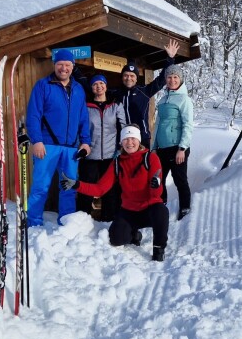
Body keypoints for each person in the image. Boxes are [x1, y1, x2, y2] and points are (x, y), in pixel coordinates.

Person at [61, 125, 169, 261]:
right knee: (116, 239)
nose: (129, 143)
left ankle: (159, 249)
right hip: (129, 211)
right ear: (121, 142)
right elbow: (100, 189)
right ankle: (134, 234)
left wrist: (156, 184)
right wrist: (77, 185)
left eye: (133, 138)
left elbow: (156, 194)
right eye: (126, 139)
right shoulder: (118, 163)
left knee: (161, 212)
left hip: (149, 208)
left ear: (139, 140)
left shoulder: (150, 158)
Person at [26, 48, 91, 226]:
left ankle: (66, 222)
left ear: (73, 66)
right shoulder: (43, 85)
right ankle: (33, 223)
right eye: (60, 64)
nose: (64, 68)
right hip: (47, 145)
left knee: (68, 188)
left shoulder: (78, 89)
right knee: (40, 187)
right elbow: (33, 115)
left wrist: (85, 142)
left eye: (67, 65)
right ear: (54, 65)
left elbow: (83, 118)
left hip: (71, 148)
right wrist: (37, 141)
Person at [76, 74, 125, 221]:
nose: (99, 86)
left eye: (101, 84)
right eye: (95, 84)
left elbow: (123, 126)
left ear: (106, 86)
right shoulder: (86, 106)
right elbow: (80, 127)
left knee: (110, 189)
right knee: (86, 188)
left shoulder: (116, 105)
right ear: (91, 88)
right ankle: (83, 218)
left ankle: (108, 218)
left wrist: (121, 147)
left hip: (110, 155)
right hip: (90, 155)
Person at [117, 38, 180, 147]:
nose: (129, 78)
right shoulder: (116, 93)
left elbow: (161, 80)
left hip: (142, 139)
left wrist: (170, 59)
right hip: (123, 140)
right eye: (126, 75)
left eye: (132, 76)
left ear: (136, 78)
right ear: (122, 77)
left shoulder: (144, 91)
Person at [151, 64, 194, 221]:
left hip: (177, 148)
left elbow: (188, 125)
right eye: (169, 77)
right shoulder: (162, 100)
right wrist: (153, 147)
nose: (172, 80)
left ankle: (185, 209)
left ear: (180, 79)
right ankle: (161, 207)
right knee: (159, 179)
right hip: (162, 148)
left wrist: (182, 148)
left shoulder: (184, 100)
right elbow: (157, 125)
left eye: (175, 77)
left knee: (179, 179)